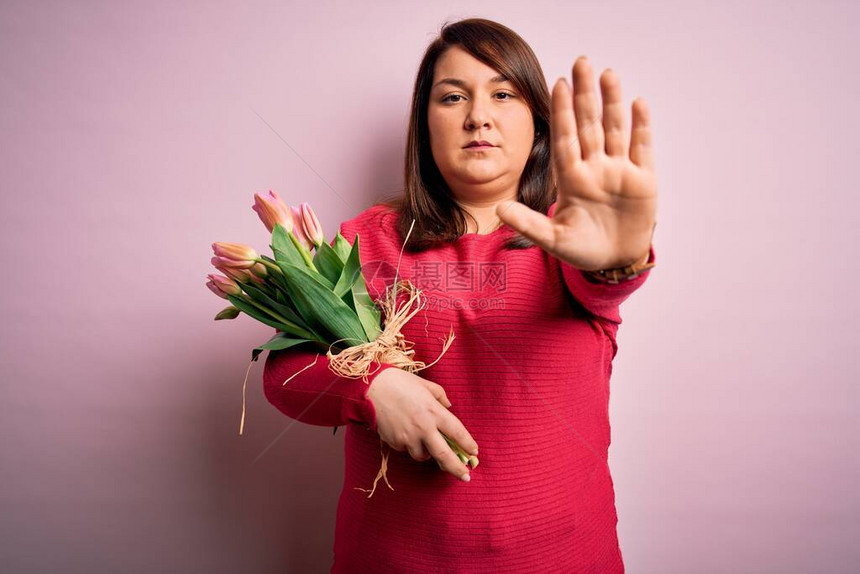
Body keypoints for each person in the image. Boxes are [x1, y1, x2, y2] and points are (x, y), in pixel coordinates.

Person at [263, 17, 658, 573]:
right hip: (393, 561)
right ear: (425, 124)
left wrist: (618, 260)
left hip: (564, 558)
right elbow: (284, 375)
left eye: (503, 93)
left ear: (537, 126)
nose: (479, 116)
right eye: (453, 97)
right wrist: (372, 389)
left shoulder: (569, 240)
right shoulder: (367, 239)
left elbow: (604, 278)